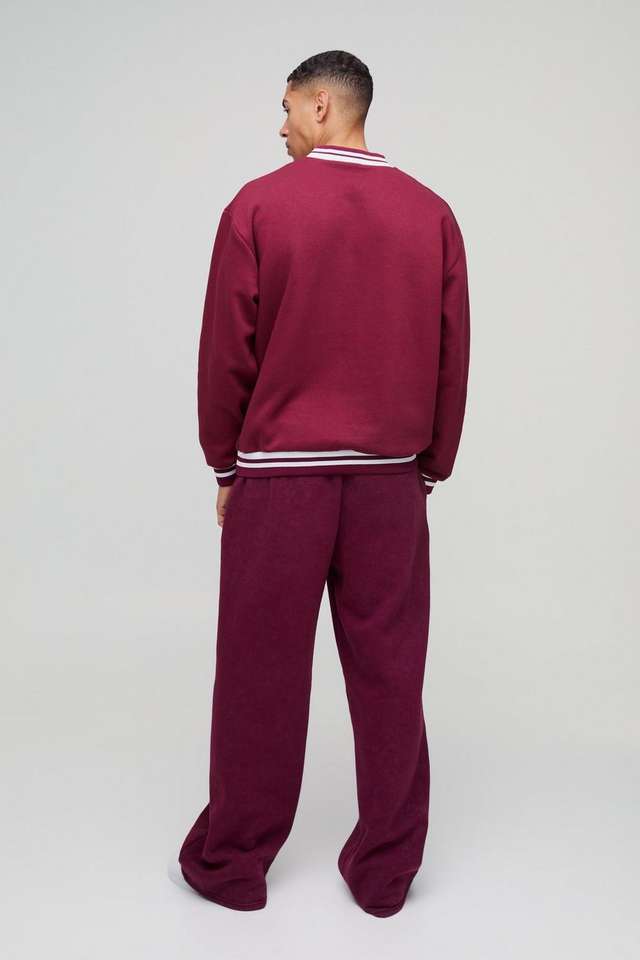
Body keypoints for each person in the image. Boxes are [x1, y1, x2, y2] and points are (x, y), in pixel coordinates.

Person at [174, 49, 471, 918]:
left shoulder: (258, 207)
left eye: (287, 108)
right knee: (390, 673)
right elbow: (452, 350)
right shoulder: (431, 213)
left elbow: (226, 351)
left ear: (320, 106)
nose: (279, 126)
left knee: (259, 671)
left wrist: (225, 463)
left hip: (281, 482)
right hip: (388, 483)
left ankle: (232, 864)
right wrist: (430, 463)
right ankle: (385, 872)